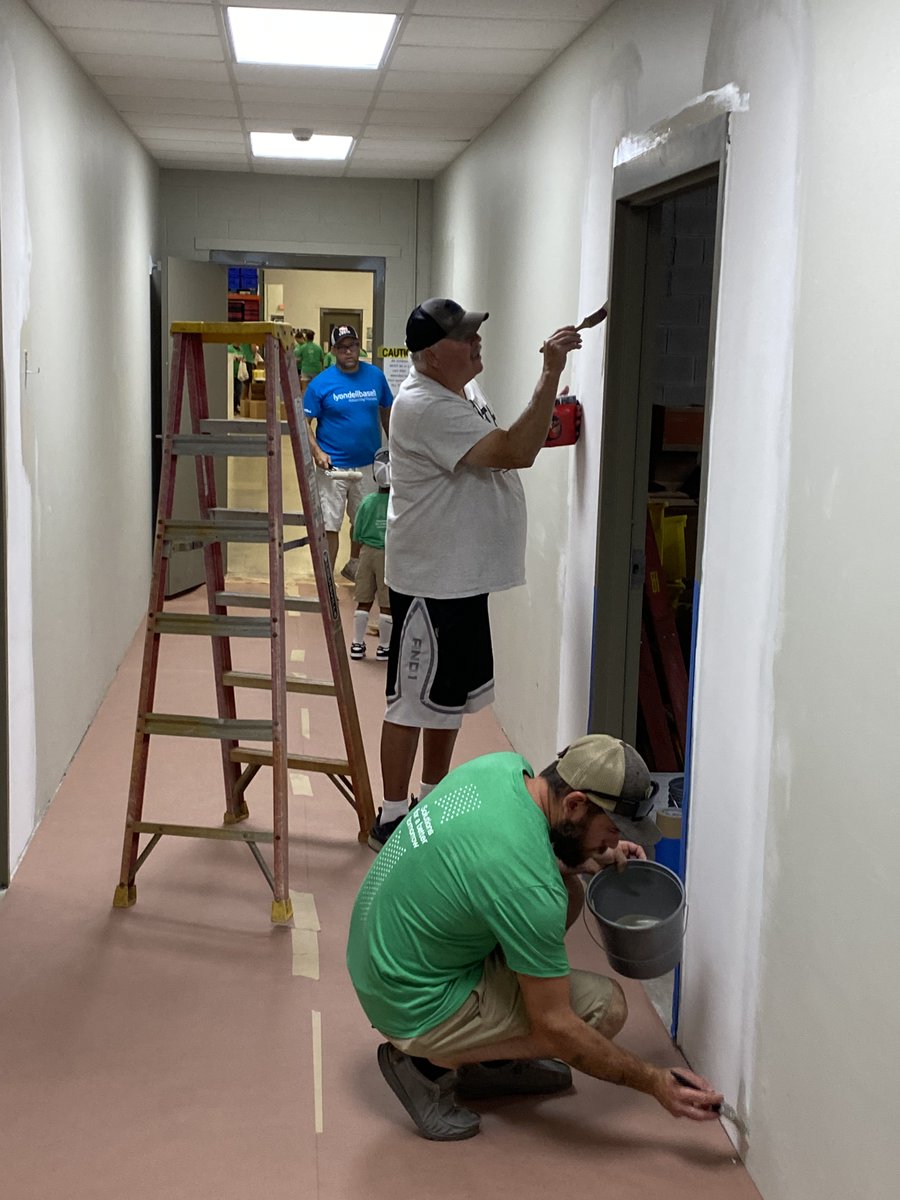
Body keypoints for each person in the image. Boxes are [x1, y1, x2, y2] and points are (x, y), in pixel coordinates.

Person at [347, 733, 723, 1141]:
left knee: (567, 895)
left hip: (379, 950)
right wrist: (653, 1081)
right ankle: (424, 1066)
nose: (615, 842)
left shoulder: (502, 768)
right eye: (612, 829)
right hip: (408, 1001)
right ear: (576, 804)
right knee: (603, 1008)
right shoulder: (528, 888)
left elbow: (513, 854)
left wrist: (586, 854)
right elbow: (555, 1026)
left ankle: (492, 1057)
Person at [371, 297, 581, 849]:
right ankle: (391, 817)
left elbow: (510, 444)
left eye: (475, 333)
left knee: (447, 701)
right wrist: (550, 373)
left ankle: (431, 799)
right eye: (466, 337)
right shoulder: (423, 406)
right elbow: (514, 450)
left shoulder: (461, 392)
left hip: (460, 579)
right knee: (411, 700)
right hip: (429, 581)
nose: (476, 342)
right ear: (434, 354)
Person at [303, 324, 393, 580]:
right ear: (333, 351)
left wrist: (393, 447)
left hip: (368, 465)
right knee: (329, 525)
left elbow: (387, 410)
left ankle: (355, 566)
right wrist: (316, 452)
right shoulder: (321, 384)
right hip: (333, 467)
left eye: (353, 346)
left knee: (363, 522)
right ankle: (326, 582)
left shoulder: (375, 376)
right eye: (343, 348)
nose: (349, 352)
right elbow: (302, 422)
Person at [349, 449, 392, 662]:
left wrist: (355, 558)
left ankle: (357, 643)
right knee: (386, 603)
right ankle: (384, 647)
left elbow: (356, 532)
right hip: (388, 556)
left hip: (367, 554)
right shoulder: (398, 504)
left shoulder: (367, 502)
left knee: (363, 600)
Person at [297, 328, 325, 395]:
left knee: (305, 388)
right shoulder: (318, 347)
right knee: (316, 388)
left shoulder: (303, 347)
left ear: (306, 337)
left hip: (306, 370)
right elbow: (322, 359)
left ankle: (305, 404)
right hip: (316, 370)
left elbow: (298, 357)